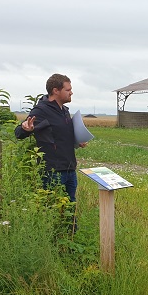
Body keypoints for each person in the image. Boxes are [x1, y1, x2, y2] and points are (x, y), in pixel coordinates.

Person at [14, 73, 86, 203]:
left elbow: (60, 134)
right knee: (53, 207)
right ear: (55, 90)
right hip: (53, 171)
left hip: (69, 168)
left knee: (70, 207)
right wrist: (26, 129)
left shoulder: (64, 110)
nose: (71, 93)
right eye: (68, 90)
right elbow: (19, 132)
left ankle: (71, 225)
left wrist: (77, 140)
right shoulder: (41, 110)